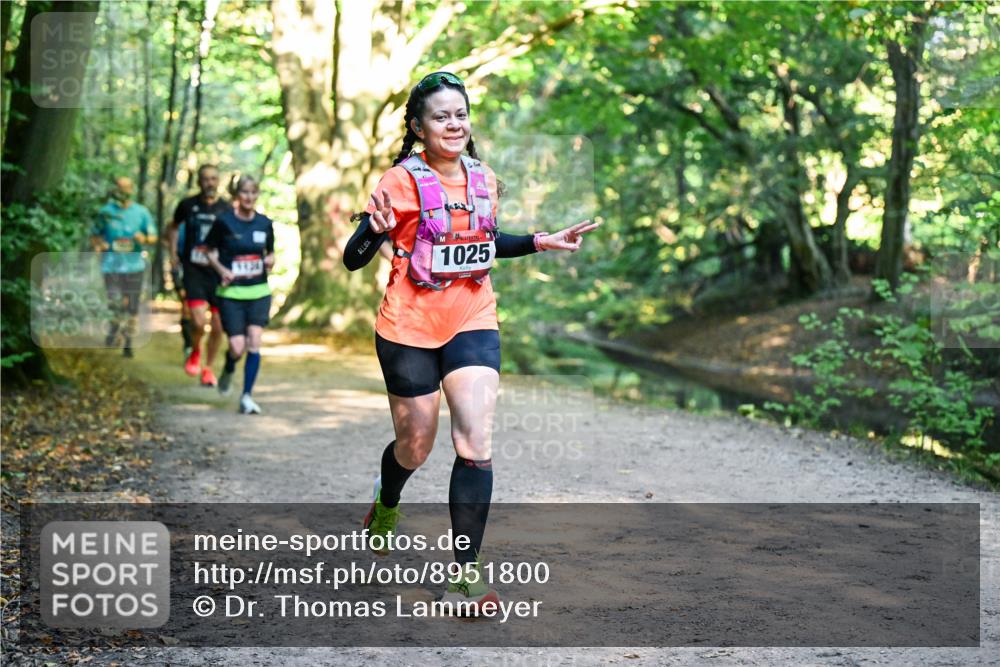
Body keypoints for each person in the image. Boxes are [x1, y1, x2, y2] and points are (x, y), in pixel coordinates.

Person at [344, 71, 598, 608]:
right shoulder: (399, 182)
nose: (453, 124)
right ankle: (387, 499)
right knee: (415, 446)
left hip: (472, 319)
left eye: (460, 114)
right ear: (418, 126)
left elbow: (484, 243)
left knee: (475, 445)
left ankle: (467, 572)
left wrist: (538, 240)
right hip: (408, 326)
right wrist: (374, 229)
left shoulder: (483, 177)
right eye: (441, 116)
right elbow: (354, 256)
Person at [204, 175, 275, 414]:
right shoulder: (223, 222)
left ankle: (246, 396)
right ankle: (229, 365)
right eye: (244, 192)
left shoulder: (265, 223)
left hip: (258, 292)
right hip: (231, 293)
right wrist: (221, 270)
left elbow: (270, 253)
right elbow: (209, 251)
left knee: (254, 341)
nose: (249, 197)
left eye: (253, 192)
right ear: (237, 195)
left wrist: (270, 260)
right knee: (237, 347)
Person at [165, 164, 230, 386]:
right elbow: (172, 227)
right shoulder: (187, 205)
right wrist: (172, 253)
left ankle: (208, 368)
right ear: (199, 182)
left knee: (219, 327)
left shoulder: (226, 208)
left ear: (218, 181)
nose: (209, 183)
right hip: (194, 270)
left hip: (219, 273)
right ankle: (195, 351)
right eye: (205, 179)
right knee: (199, 322)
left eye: (213, 178)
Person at [90, 176, 157, 358]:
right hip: (111, 266)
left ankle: (128, 341)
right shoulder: (105, 212)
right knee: (114, 301)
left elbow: (153, 237)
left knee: (132, 305)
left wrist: (144, 239)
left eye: (127, 188)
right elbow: (94, 236)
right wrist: (99, 245)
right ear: (115, 190)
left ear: (132, 189)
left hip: (134, 266)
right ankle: (113, 327)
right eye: (120, 188)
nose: (123, 191)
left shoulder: (142, 212)